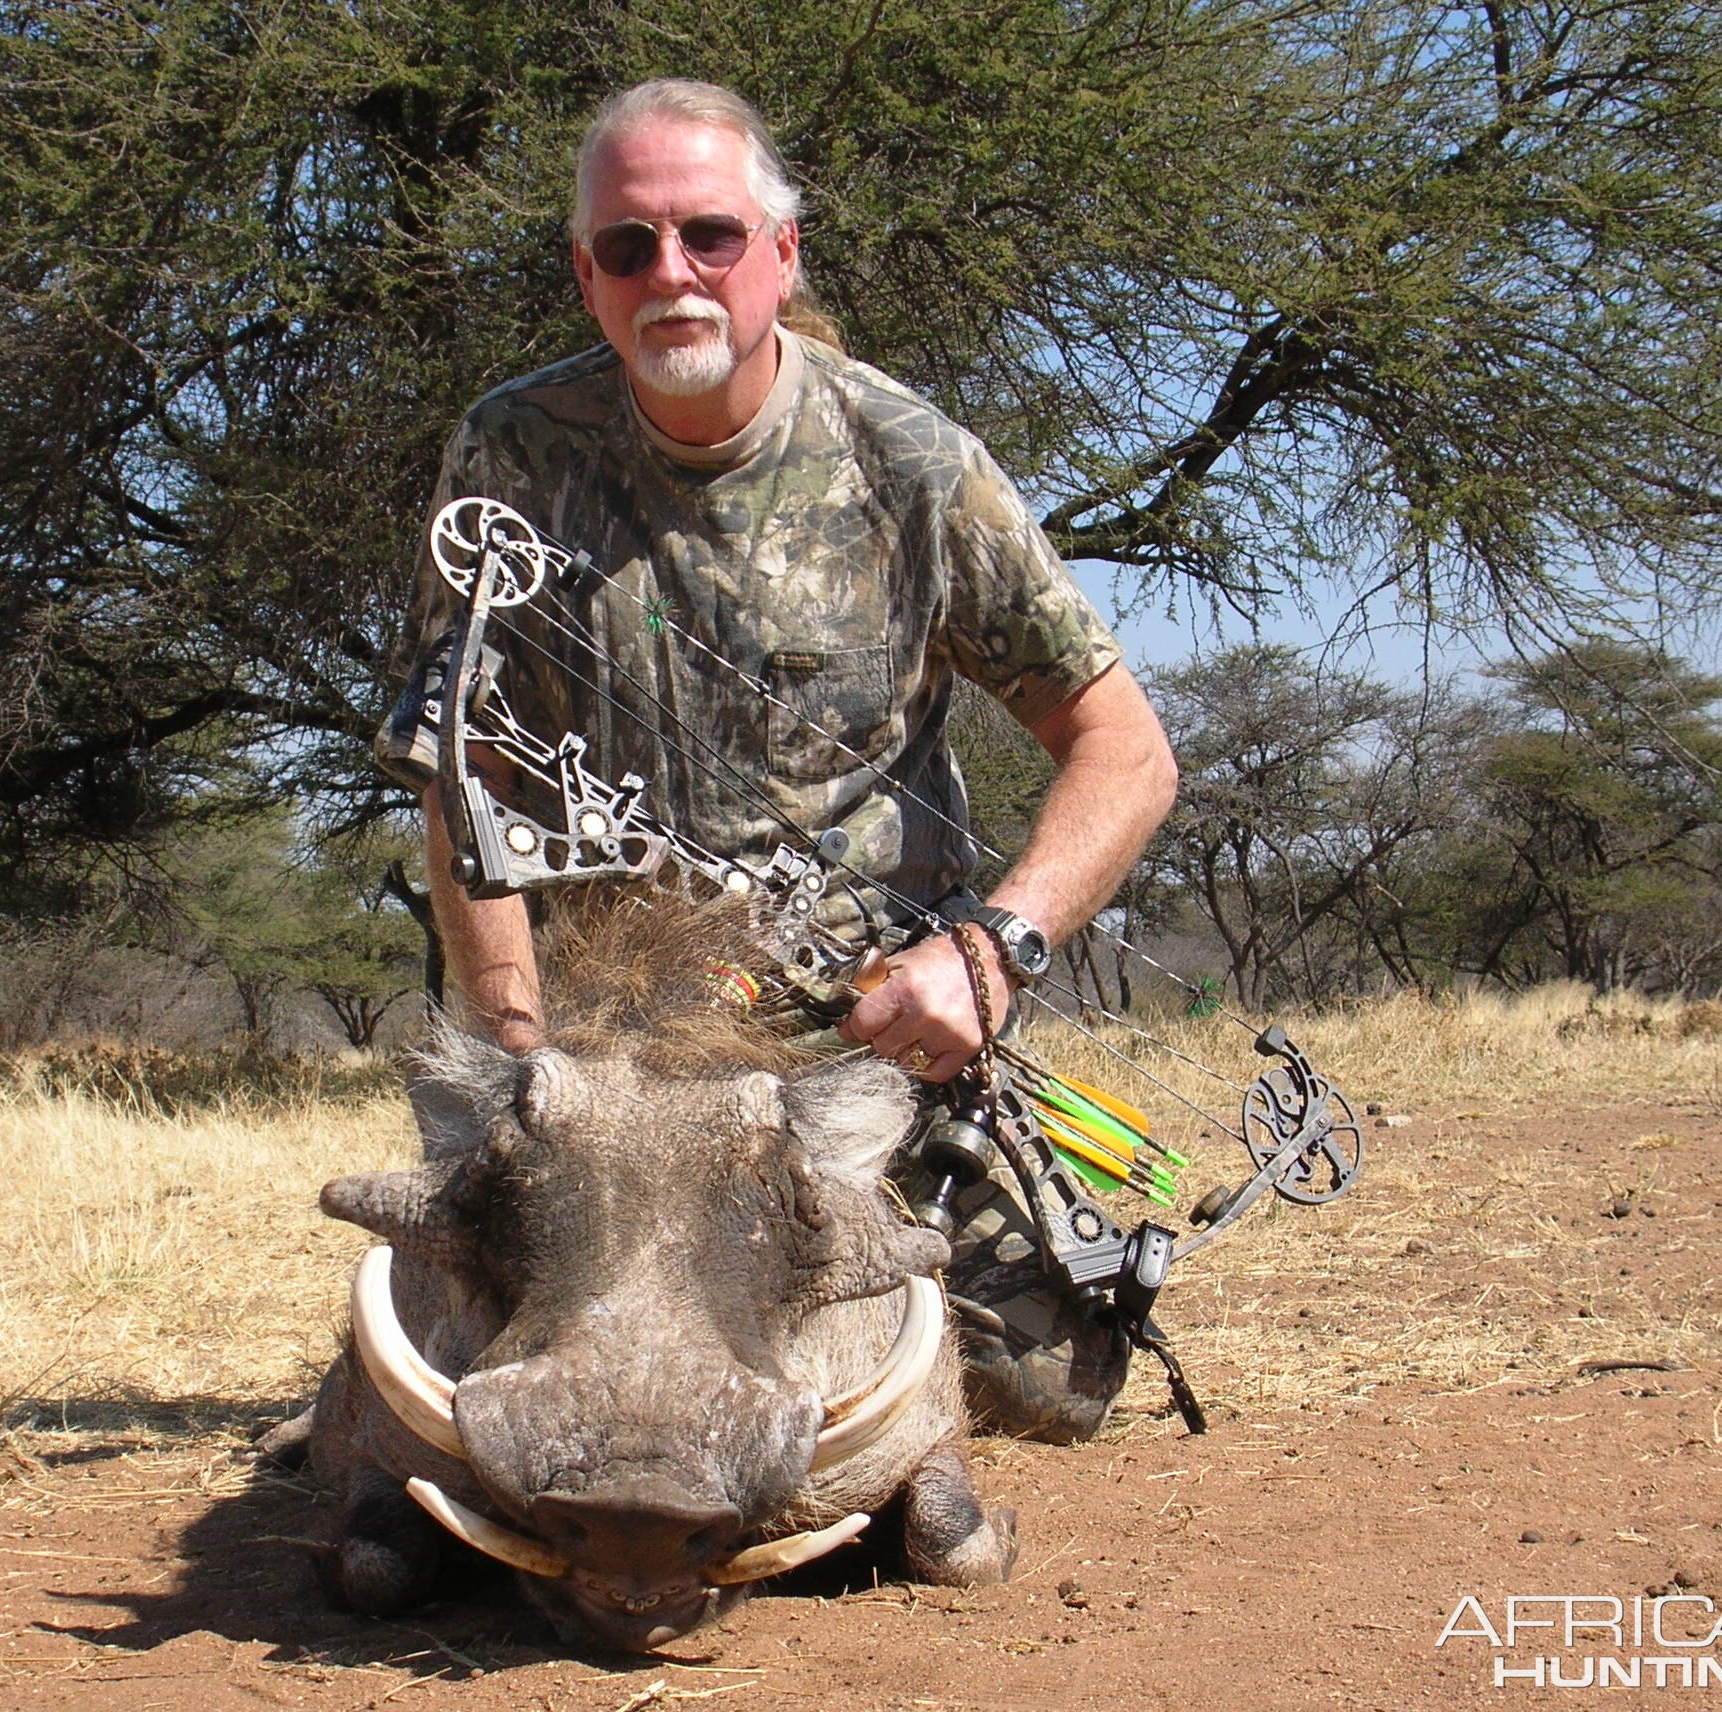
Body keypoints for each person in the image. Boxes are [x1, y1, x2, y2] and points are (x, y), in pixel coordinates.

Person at [376, 78, 1178, 1441]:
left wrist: (989, 955)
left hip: (863, 1060)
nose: (670, 275)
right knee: (516, 1382)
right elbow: (470, 779)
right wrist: (519, 1062)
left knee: (1053, 1393)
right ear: (585, 275)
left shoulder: (916, 463)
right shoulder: (508, 453)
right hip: (616, 1064)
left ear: (782, 253)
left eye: (711, 235)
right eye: (627, 247)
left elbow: (1127, 748)